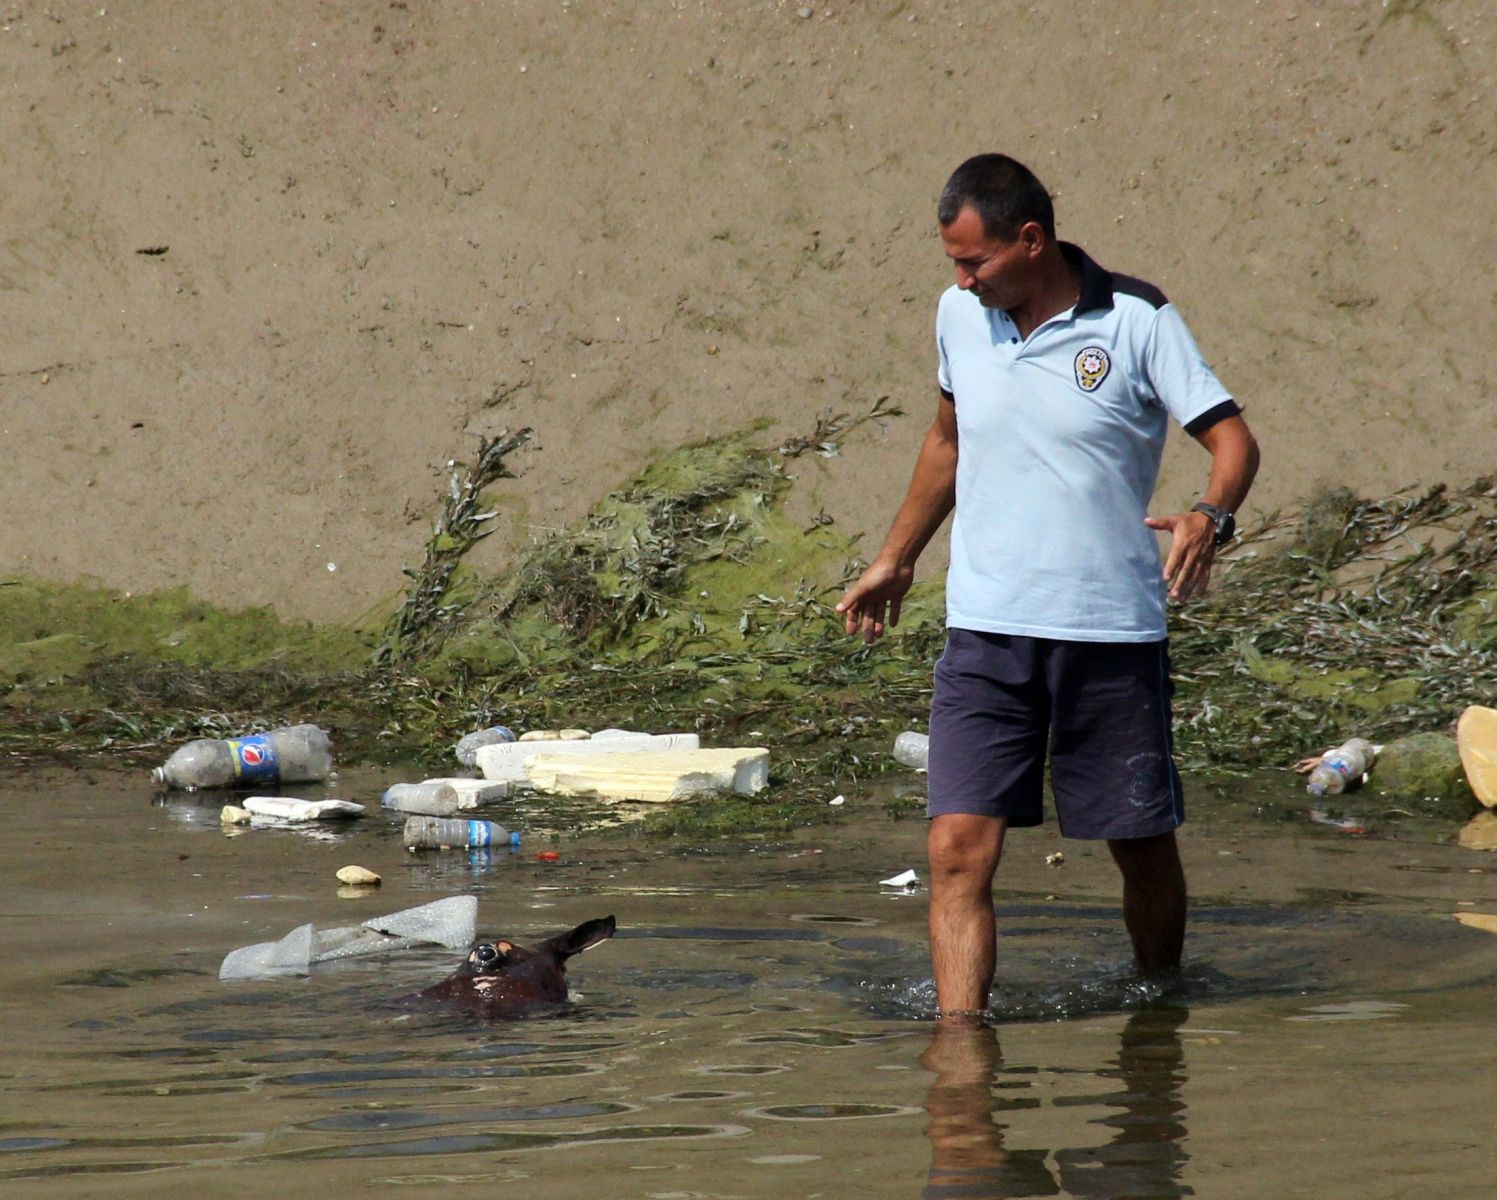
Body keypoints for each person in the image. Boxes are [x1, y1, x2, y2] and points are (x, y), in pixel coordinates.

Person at [836, 153, 1259, 1017]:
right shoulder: (959, 315)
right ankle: (960, 1052)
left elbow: (1231, 441)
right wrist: (897, 554)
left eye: (974, 260)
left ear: (1030, 241)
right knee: (956, 848)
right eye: (952, 261)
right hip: (985, 632)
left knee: (1138, 845)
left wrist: (1208, 517)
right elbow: (947, 439)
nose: (959, 278)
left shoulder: (1136, 318)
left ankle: (1159, 1006)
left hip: (1108, 636)